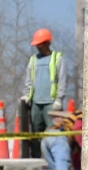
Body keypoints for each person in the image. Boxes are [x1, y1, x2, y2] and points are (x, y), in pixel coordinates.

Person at [21, 28, 67, 158]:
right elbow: (28, 80)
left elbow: (62, 80)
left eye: (40, 44)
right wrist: (27, 95)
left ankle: (53, 160)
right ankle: (36, 158)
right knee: (36, 133)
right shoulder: (33, 60)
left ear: (47, 43)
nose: (37, 47)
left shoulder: (57, 58)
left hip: (51, 103)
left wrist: (59, 99)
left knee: (53, 133)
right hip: (36, 103)